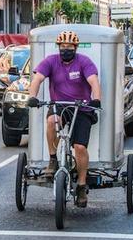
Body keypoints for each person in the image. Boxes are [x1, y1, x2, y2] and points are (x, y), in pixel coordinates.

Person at [26, 31, 102, 208]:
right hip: (59, 104)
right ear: (58, 47)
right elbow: (37, 79)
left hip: (81, 107)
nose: (65, 50)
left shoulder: (84, 62)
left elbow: (94, 82)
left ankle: (82, 186)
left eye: (69, 47)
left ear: (75, 48)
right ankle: (53, 159)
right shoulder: (51, 61)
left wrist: (96, 99)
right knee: (52, 121)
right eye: (62, 47)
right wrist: (32, 96)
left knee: (80, 147)